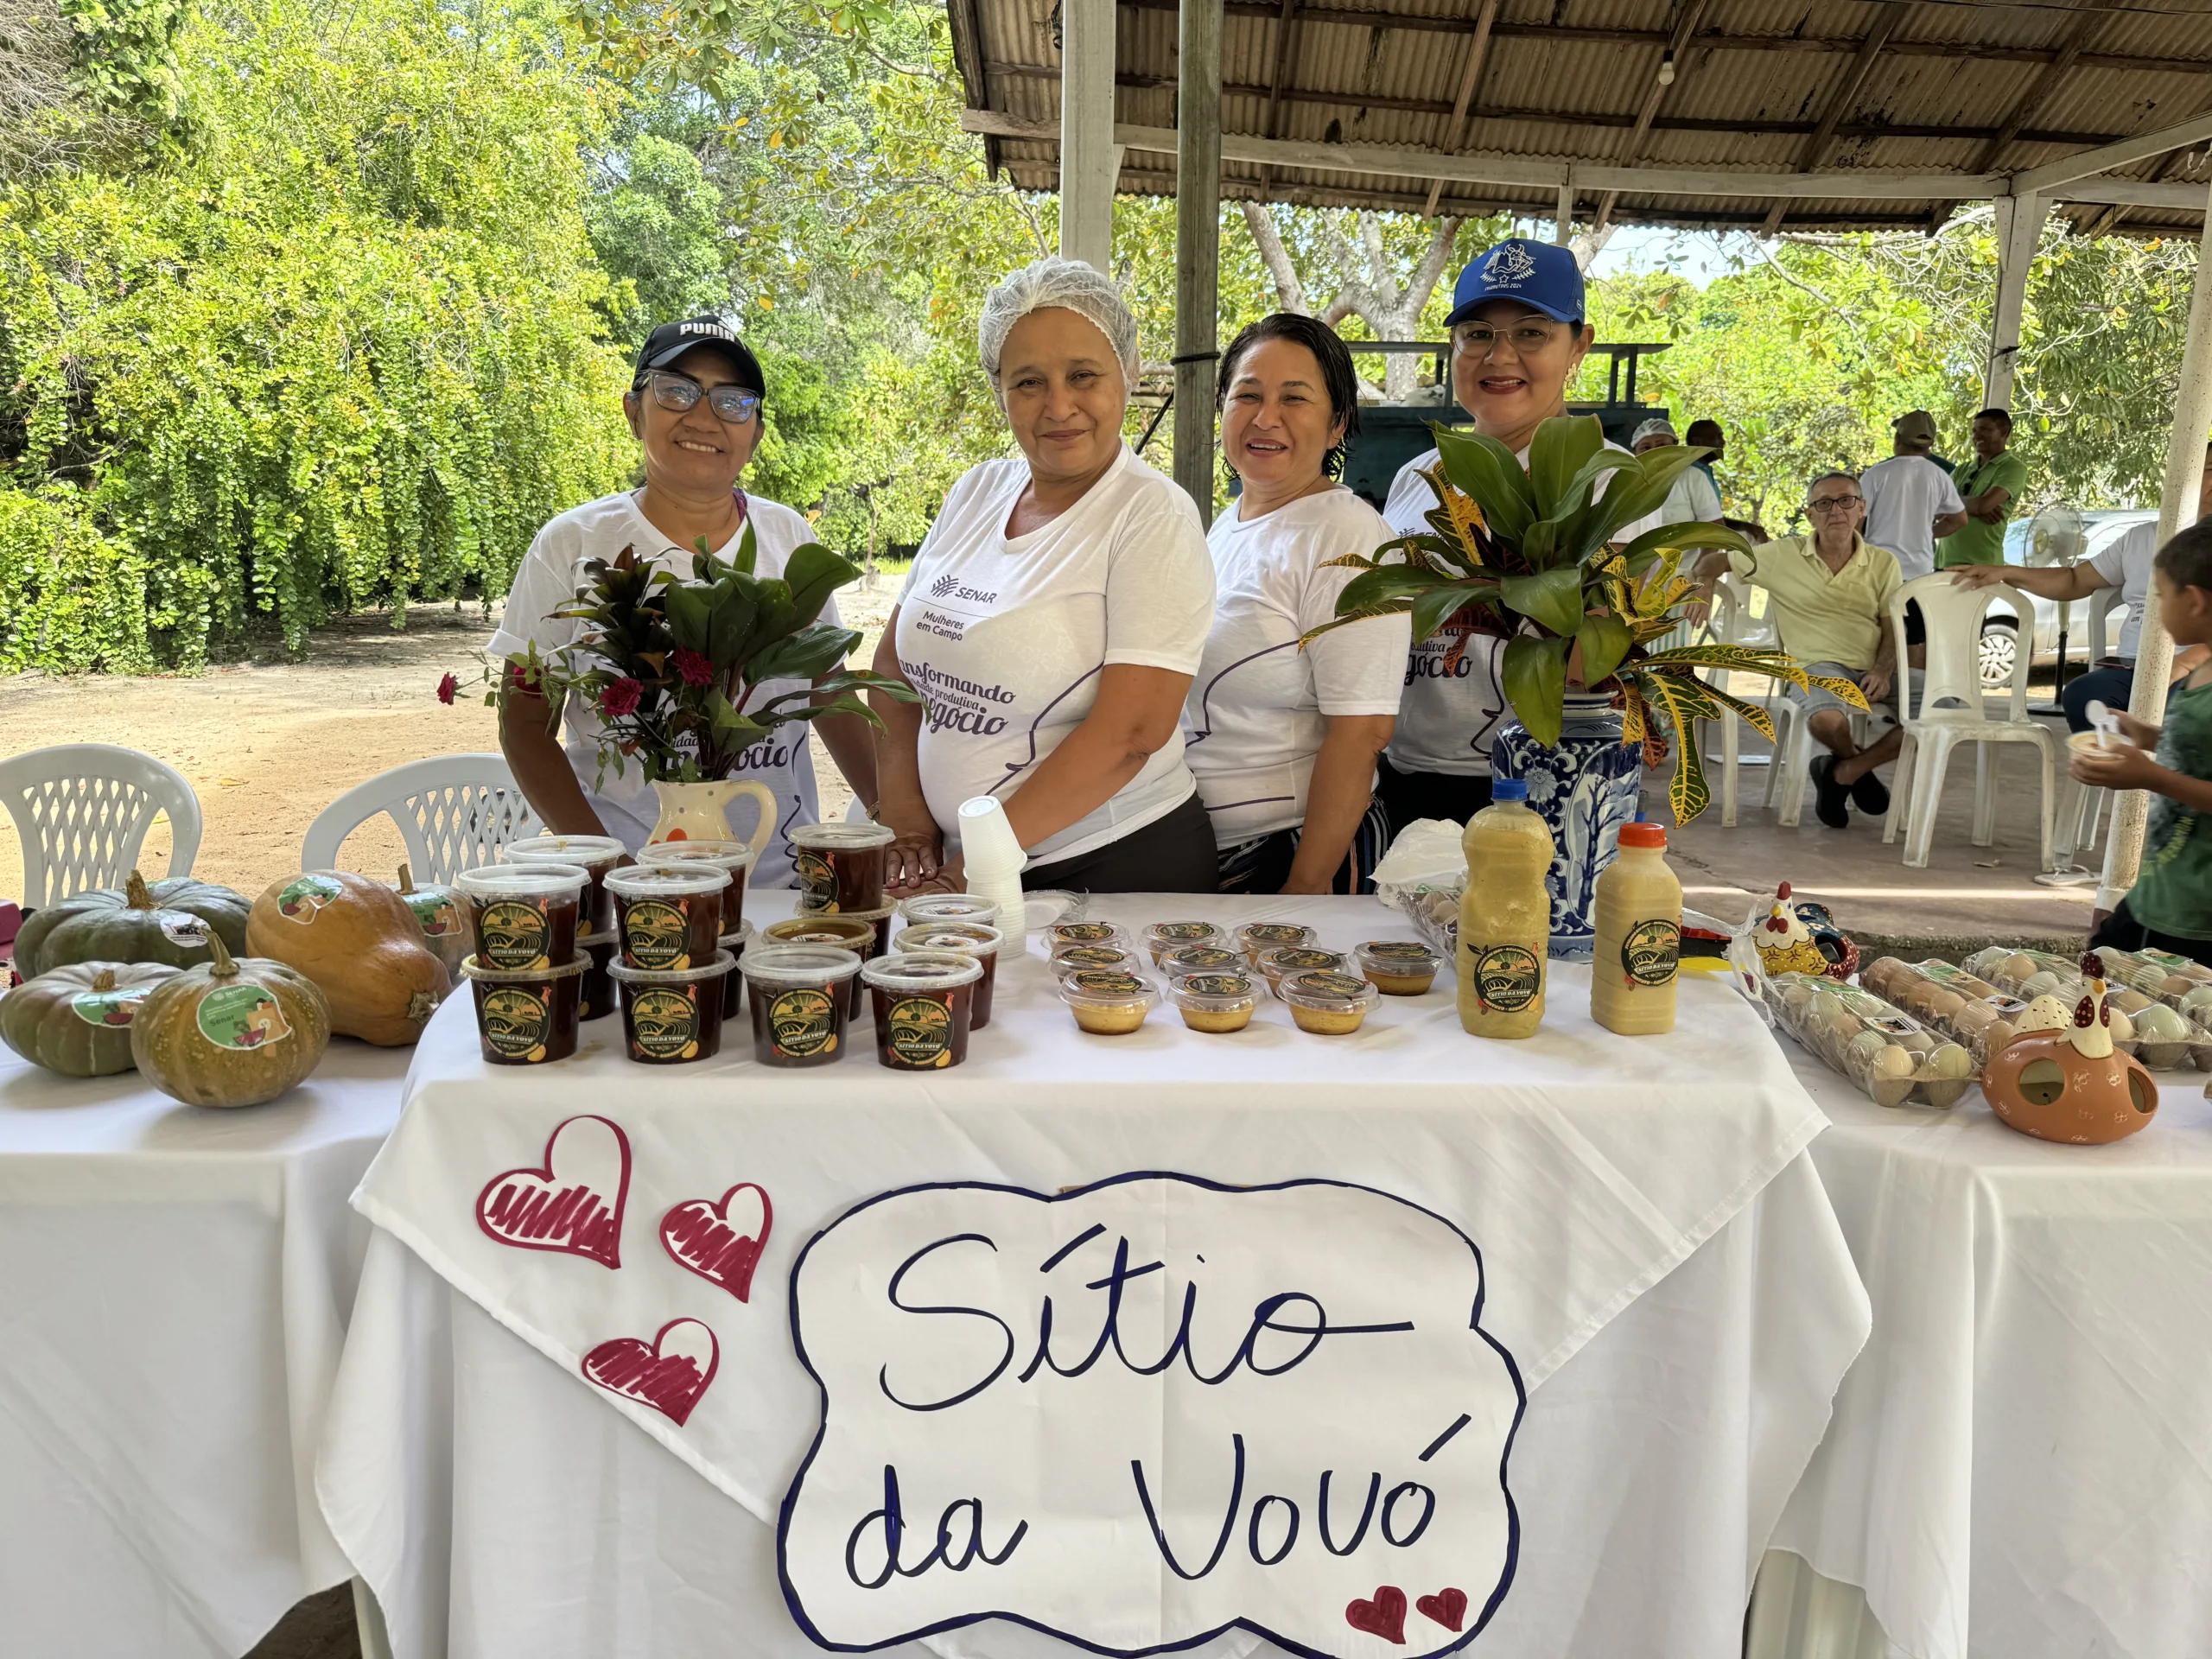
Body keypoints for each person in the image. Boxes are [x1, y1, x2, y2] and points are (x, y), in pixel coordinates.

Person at [868, 257, 1217, 896]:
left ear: (1129, 372)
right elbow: (892, 671)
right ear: (999, 390)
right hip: (959, 864)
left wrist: (969, 865)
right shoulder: (975, 492)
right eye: (1028, 382)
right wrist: (908, 819)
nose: (1059, 405)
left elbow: (1130, 735)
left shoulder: (1152, 515)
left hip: (1108, 865)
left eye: (1083, 374)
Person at [490, 317, 879, 888]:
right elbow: (523, 724)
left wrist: (893, 814)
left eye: (732, 401)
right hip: (629, 884)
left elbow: (827, 688)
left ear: (756, 433)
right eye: (677, 391)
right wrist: (609, 872)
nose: (703, 417)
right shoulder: (572, 545)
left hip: (782, 882)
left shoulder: (787, 536)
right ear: (633, 411)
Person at [1375, 237, 1659, 826]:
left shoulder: (1608, 482)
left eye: (1532, 333)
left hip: (1545, 780)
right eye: (1478, 334)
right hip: (1406, 769)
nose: (1499, 358)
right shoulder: (1416, 477)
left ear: (1579, 345)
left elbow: (1598, 659)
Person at [1184, 315, 1410, 894]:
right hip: (1210, 847)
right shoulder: (1226, 527)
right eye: (1248, 395)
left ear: (1337, 425)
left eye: (1294, 398)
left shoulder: (1349, 537)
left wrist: (1306, 887)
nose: (1265, 418)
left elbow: (1362, 732)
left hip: (1290, 854)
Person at [1690, 471, 1902, 829]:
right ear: (1810, 515)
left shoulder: (1884, 563)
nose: (1836, 510)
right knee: (1826, 718)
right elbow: (1710, 562)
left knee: (1939, 713)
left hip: (1874, 667)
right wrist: (1703, 585)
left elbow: (1892, 624)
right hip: (1816, 665)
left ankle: (1845, 771)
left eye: (1846, 500)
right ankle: (1853, 767)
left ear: (1862, 508)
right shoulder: (1781, 555)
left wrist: (1883, 669)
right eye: (1823, 503)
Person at [2074, 522, 2212, 964]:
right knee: (2096, 979)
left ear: (2194, 600)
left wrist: (2148, 774)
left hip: (2199, 911)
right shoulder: (2204, 665)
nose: (2155, 607)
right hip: (2162, 886)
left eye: (2161, 595)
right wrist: (2145, 734)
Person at [1861, 410, 1967, 583]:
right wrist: (1926, 534)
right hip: (1920, 570)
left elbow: (1855, 524)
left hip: (1878, 566)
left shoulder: (1875, 474)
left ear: (1897, 439)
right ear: (1929, 445)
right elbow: (1960, 520)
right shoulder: (1939, 476)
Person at [1936, 408, 2028, 569]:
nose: (1976, 436)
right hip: (1943, 562)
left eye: (1985, 430)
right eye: (1974, 431)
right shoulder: (1962, 469)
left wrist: (1958, 505)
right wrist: (1975, 506)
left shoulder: (2013, 468)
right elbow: (1936, 507)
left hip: (1982, 566)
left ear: (2004, 432)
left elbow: (1984, 505)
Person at [1630, 416, 1725, 529]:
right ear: (1635, 453)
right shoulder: (1625, 482)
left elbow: (1713, 529)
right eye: (1646, 448)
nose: (1654, 452)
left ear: (1675, 445)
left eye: (1662, 446)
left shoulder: (1693, 477)